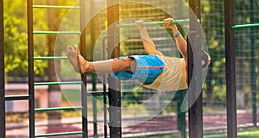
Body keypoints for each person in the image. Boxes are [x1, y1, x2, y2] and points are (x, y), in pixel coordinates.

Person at [66, 18, 210, 91]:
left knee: (127, 63)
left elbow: (185, 52)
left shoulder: (190, 75)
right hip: (154, 69)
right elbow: (151, 50)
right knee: (120, 64)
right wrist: (142, 28)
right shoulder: (178, 63)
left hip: (159, 70)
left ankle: (86, 66)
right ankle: (86, 66)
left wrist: (175, 29)